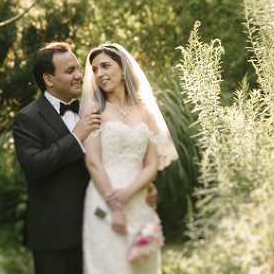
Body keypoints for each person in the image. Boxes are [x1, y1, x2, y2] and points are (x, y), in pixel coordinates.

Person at [80, 43, 178, 274]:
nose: (99, 74)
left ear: (123, 68)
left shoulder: (145, 110)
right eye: (94, 69)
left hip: (139, 199)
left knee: (143, 267)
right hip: (105, 199)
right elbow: (93, 162)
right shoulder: (94, 108)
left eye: (105, 66)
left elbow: (151, 164)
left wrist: (129, 191)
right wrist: (115, 207)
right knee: (109, 266)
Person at [12, 42, 102, 274]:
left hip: (97, 228)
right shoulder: (27, 117)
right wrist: (75, 137)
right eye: (70, 71)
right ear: (49, 79)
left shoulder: (89, 111)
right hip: (53, 237)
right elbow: (34, 166)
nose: (80, 76)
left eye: (78, 69)